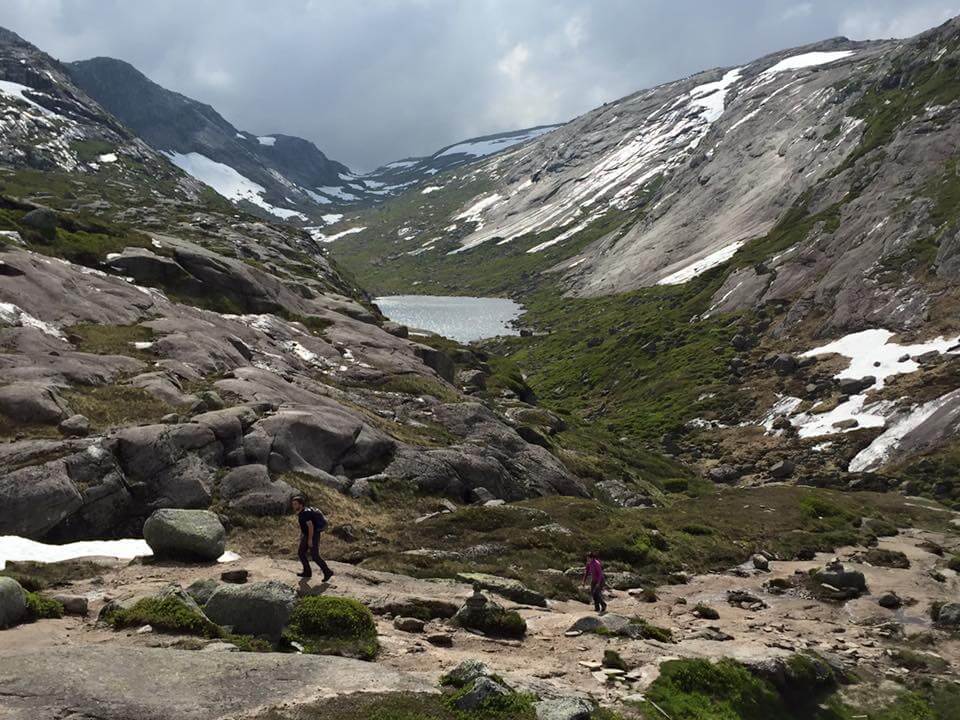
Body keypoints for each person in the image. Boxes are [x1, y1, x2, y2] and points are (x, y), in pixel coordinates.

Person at [292, 495, 333, 581]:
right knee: (301, 553)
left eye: (295, 504)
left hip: (313, 535)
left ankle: (327, 572)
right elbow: (305, 527)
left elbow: (310, 527)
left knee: (315, 556)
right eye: (293, 504)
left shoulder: (305, 513)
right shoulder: (303, 512)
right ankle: (307, 572)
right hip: (307, 535)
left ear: (301, 504)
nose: (294, 506)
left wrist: (310, 539)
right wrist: (303, 536)